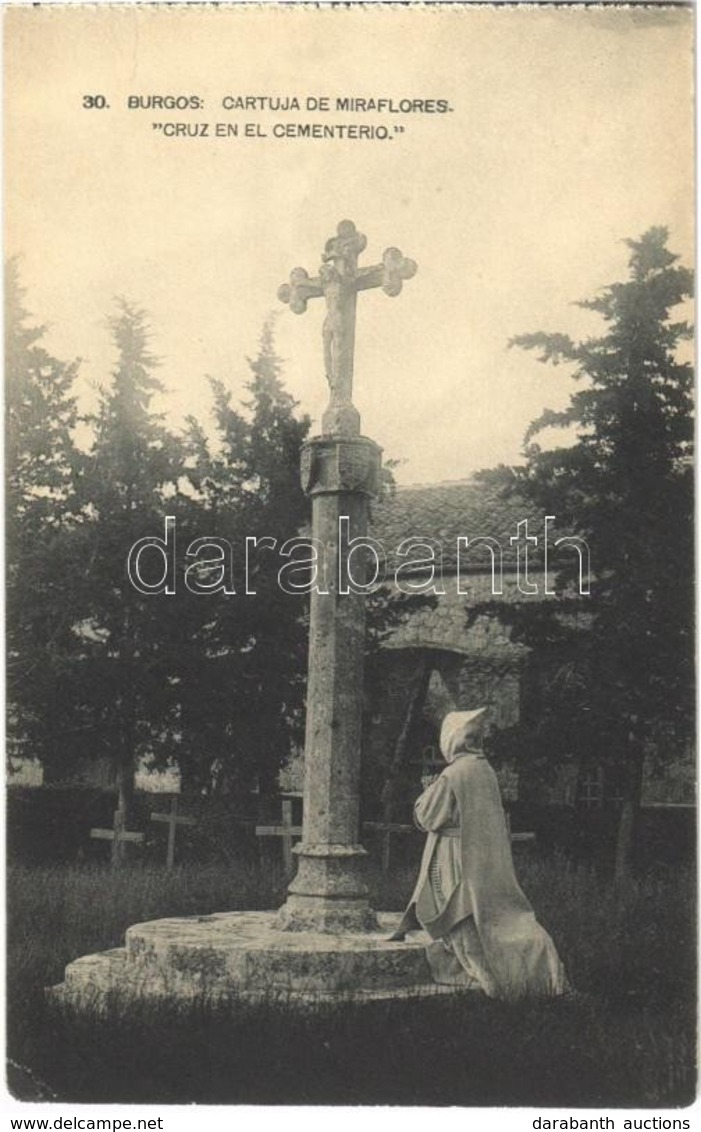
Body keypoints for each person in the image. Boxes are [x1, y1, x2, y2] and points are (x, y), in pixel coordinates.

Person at [391, 709, 567, 1000]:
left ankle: (490, 979)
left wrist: (428, 790)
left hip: (454, 854)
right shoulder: (485, 770)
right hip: (481, 855)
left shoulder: (453, 774)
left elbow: (427, 817)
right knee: (486, 911)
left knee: (456, 913)